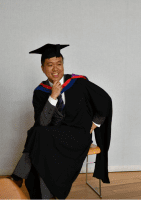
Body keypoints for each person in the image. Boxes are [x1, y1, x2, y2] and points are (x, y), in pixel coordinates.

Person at [7, 44, 112, 199]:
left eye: (59, 64)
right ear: (42, 68)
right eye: (50, 65)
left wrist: (95, 124)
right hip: (53, 136)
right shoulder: (40, 92)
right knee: (38, 135)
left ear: (63, 65)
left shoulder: (79, 83)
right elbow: (42, 123)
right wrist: (53, 97)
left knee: (37, 136)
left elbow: (105, 100)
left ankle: (18, 176)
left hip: (78, 136)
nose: (55, 69)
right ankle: (45, 194)